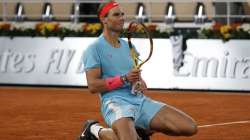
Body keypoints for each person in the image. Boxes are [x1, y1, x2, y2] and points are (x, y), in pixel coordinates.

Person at [77, 1, 197, 140]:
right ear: (103, 19)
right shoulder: (94, 48)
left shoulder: (130, 47)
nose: (121, 18)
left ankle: (141, 130)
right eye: (116, 15)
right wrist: (124, 79)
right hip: (115, 103)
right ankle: (94, 130)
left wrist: (139, 82)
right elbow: (93, 86)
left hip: (139, 101)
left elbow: (136, 77)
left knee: (190, 127)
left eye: (122, 14)